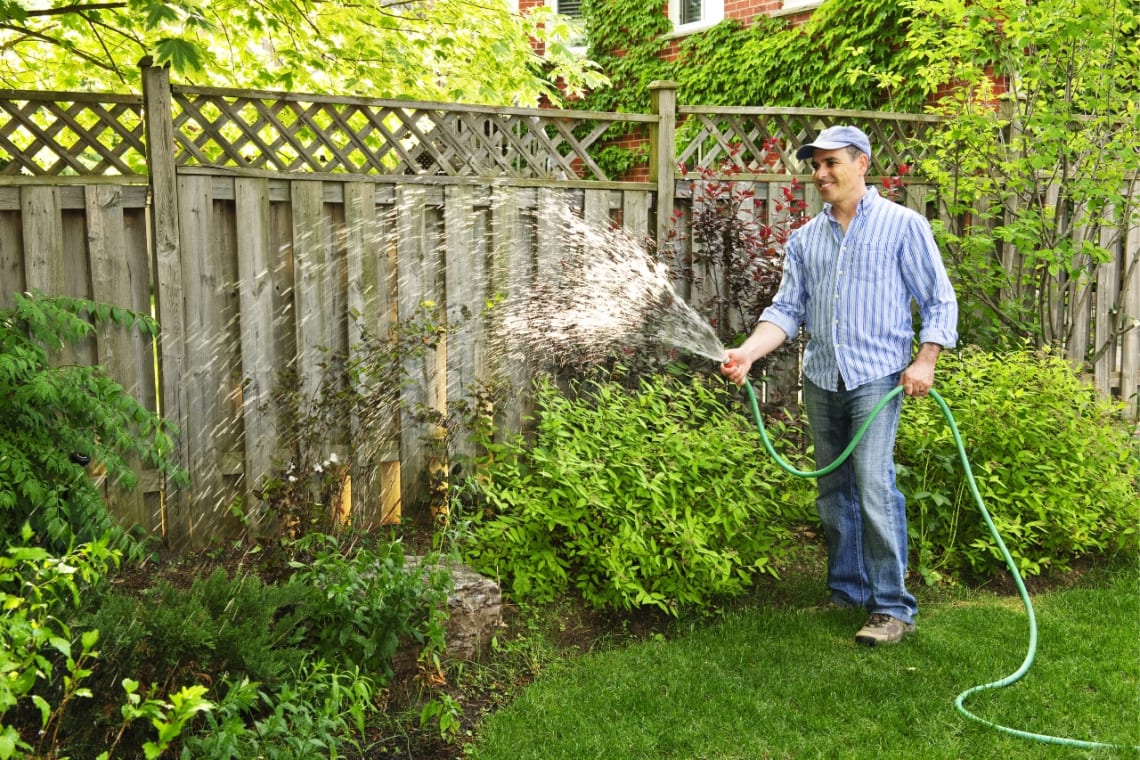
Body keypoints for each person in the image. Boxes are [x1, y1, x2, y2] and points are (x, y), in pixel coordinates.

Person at [721, 125, 958, 646]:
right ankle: (847, 591)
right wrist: (748, 353)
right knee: (833, 489)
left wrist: (926, 360)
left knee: (873, 484)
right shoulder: (806, 239)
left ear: (862, 164)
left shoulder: (902, 226)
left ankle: (892, 607)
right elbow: (785, 311)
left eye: (831, 163)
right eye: (816, 165)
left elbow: (939, 300)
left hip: (877, 378)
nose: (821, 174)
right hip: (823, 378)